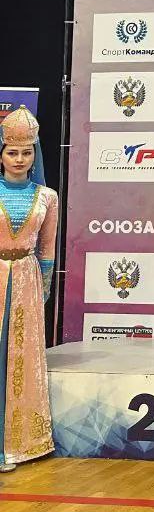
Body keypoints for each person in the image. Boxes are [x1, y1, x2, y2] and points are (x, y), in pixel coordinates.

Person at [0, 107, 57, 473]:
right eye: (12, 152)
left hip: (26, 280)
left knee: (19, 360)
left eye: (26, 152)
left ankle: (15, 445)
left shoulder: (47, 197)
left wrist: (44, 290)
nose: (19, 159)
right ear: (1, 154)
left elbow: (47, 250)